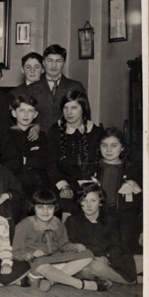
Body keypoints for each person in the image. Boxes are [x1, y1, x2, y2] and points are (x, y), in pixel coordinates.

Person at [12, 189, 109, 292]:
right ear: (33, 208)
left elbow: (64, 245)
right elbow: (16, 253)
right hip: (37, 264)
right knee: (41, 265)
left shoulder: (57, 222)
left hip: (56, 261)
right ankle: (81, 284)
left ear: (55, 208)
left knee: (88, 254)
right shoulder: (23, 225)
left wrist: (74, 247)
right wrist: (31, 254)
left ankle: (51, 280)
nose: (45, 211)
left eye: (50, 207)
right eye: (40, 207)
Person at [66, 183, 139, 285]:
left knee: (141, 260)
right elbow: (67, 245)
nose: (88, 205)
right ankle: (131, 281)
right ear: (79, 202)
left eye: (93, 201)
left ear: (100, 201)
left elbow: (116, 246)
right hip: (86, 262)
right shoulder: (72, 220)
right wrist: (76, 248)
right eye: (84, 200)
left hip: (108, 260)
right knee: (93, 268)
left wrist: (107, 257)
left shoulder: (111, 220)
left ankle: (106, 277)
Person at [46, 90, 102, 219]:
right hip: (65, 185)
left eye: (74, 107)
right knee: (66, 207)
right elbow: (51, 164)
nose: (69, 112)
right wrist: (63, 186)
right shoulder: (55, 130)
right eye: (65, 108)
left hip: (90, 185)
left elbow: (100, 162)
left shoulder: (96, 131)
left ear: (83, 109)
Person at [90, 127, 143, 254]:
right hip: (98, 221)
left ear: (122, 148)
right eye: (104, 145)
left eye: (114, 145)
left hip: (126, 224)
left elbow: (144, 204)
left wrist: (143, 229)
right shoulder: (91, 169)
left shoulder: (133, 171)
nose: (108, 150)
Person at [25, 44, 87, 133]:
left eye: (58, 61)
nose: (54, 65)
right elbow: (24, 117)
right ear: (43, 62)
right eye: (50, 60)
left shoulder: (75, 86)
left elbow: (85, 115)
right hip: (41, 138)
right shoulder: (32, 88)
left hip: (67, 138)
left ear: (64, 63)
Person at [1, 95, 50, 196]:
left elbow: (46, 162)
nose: (26, 115)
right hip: (15, 185)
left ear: (35, 114)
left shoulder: (42, 136)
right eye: (22, 110)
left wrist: (24, 160)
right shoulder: (6, 135)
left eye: (30, 111)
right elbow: (8, 162)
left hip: (38, 185)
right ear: (14, 113)